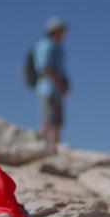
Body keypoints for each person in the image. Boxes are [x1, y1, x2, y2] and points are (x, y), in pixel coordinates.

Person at [33, 17, 70, 145]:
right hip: (47, 88)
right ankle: (43, 147)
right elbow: (45, 67)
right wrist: (60, 83)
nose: (64, 33)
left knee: (57, 121)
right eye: (62, 30)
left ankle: (54, 146)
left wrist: (64, 84)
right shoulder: (45, 45)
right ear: (54, 31)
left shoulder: (58, 47)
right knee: (47, 120)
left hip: (56, 90)